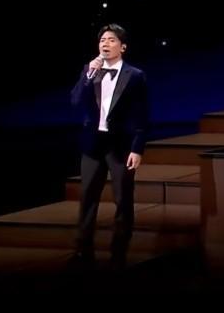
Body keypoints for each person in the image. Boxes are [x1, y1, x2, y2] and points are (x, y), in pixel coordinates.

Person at [69, 23, 149, 269]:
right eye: (102, 40)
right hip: (92, 144)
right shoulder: (90, 70)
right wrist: (88, 75)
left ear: (122, 47)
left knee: (123, 199)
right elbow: (75, 101)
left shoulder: (135, 75)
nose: (105, 43)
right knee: (87, 198)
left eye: (111, 40)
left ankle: (119, 251)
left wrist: (137, 148)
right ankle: (83, 250)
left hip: (121, 145)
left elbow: (142, 114)